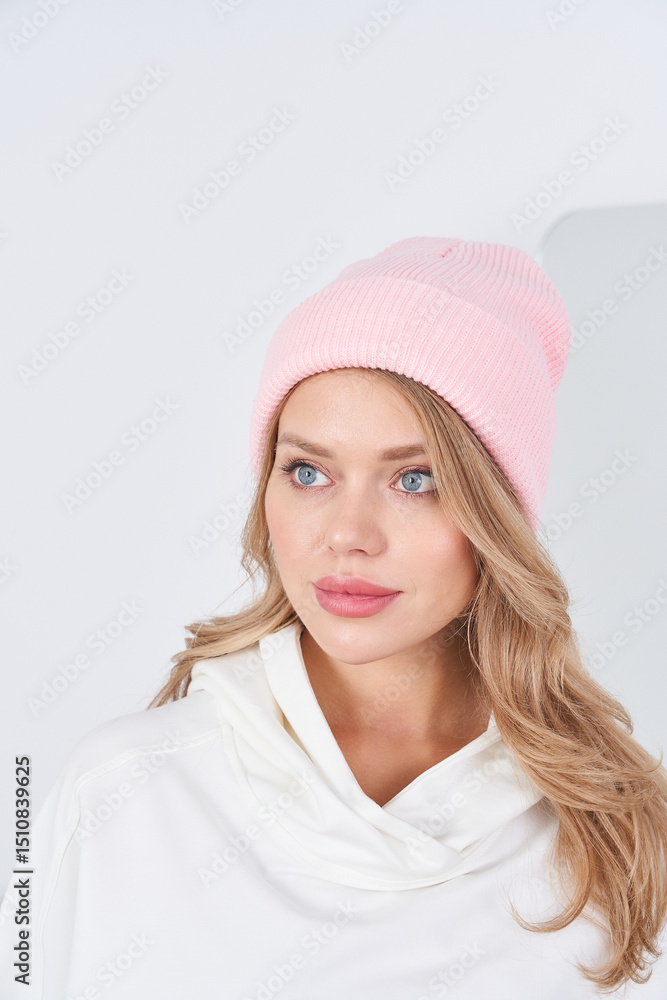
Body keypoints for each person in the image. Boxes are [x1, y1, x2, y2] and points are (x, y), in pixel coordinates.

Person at [1, 236, 666, 999]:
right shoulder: (123, 791)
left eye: (415, 479)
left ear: (499, 515)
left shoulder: (617, 835)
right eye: (308, 472)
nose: (347, 534)